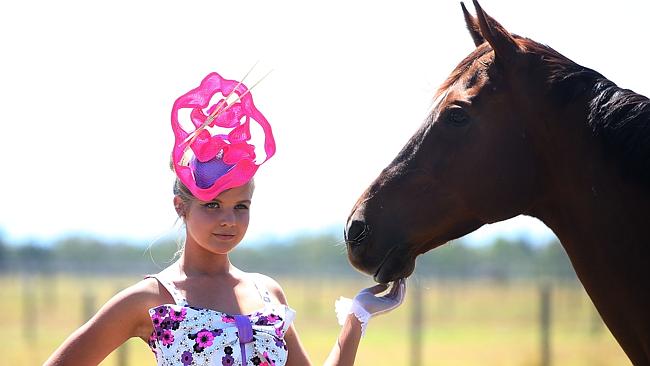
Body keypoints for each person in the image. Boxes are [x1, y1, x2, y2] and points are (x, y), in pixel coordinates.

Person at [44, 72, 406, 366]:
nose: (229, 220)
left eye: (241, 206)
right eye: (212, 205)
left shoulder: (267, 293)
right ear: (180, 206)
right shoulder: (151, 299)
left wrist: (357, 317)